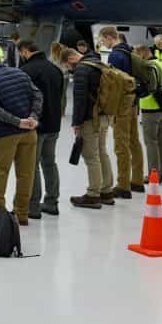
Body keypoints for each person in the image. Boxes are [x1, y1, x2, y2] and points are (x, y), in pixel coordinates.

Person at [0, 54, 41, 225]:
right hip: (29, 133)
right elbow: (38, 95)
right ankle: (22, 214)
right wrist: (33, 117)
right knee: (25, 174)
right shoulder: (21, 74)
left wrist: (17, 122)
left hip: (4, 135)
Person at [63, 48, 114, 209]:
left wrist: (76, 123)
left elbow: (80, 99)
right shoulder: (98, 64)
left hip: (90, 118)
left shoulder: (82, 69)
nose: (70, 70)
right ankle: (106, 191)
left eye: (67, 66)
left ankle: (93, 194)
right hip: (105, 114)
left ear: (70, 59)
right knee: (102, 152)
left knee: (91, 156)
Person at [99, 25, 145, 198]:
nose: (103, 43)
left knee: (121, 144)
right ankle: (138, 180)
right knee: (134, 141)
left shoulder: (116, 55)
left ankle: (123, 184)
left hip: (122, 106)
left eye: (103, 40)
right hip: (134, 103)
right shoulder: (131, 52)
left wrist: (108, 107)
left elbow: (115, 85)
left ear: (110, 37)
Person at [20, 40, 64, 219]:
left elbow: (25, 99)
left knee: (32, 164)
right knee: (49, 162)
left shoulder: (27, 71)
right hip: (54, 124)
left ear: (25, 51)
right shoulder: (56, 70)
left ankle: (33, 206)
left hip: (36, 125)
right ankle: (52, 202)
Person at [135, 44, 162, 183]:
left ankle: (153, 174)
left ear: (143, 53)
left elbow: (154, 90)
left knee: (150, 142)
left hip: (151, 109)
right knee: (161, 141)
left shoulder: (148, 67)